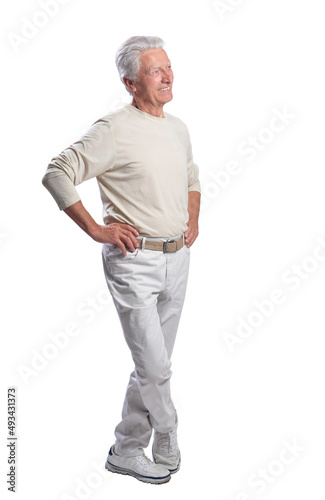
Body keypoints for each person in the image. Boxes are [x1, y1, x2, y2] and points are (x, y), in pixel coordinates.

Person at [42, 35, 201, 485]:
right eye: (155, 70)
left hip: (178, 257)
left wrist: (192, 218)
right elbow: (57, 172)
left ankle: (127, 449)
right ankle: (167, 432)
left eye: (168, 66)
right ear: (131, 83)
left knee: (153, 364)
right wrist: (96, 229)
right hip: (135, 261)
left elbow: (191, 175)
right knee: (156, 366)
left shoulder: (177, 127)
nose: (167, 76)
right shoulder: (113, 129)